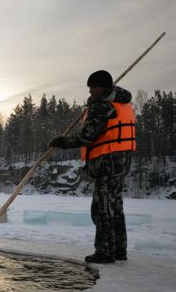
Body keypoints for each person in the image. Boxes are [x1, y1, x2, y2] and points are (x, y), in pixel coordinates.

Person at [49, 70, 136, 264]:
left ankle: (105, 251)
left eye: (93, 88)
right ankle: (119, 250)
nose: (90, 92)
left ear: (103, 87)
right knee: (115, 205)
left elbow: (87, 137)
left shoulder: (102, 106)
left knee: (101, 208)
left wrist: (61, 142)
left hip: (108, 161)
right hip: (122, 161)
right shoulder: (122, 102)